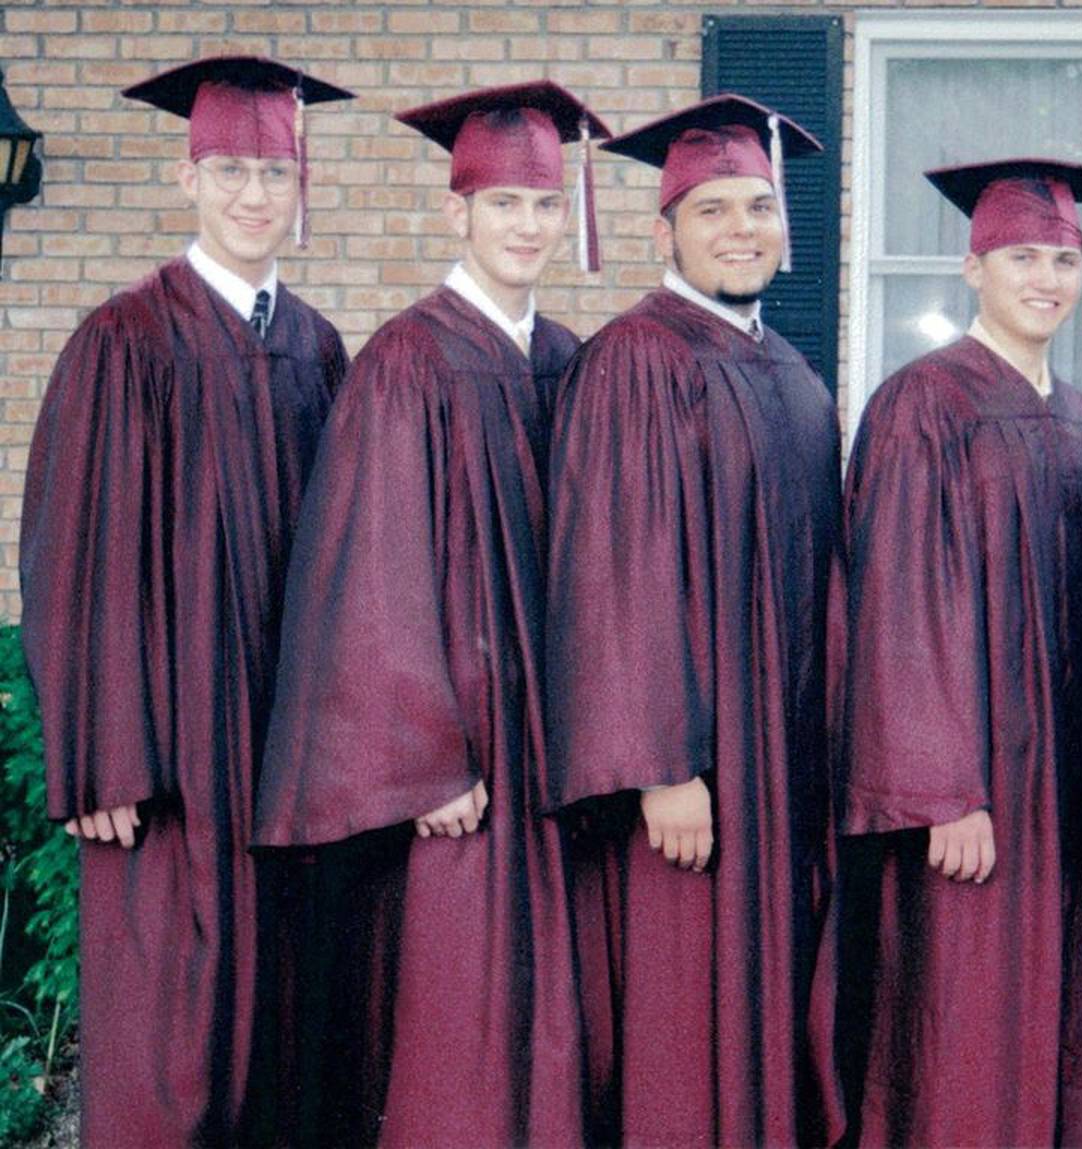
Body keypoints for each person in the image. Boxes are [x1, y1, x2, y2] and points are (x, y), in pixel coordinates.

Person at [254, 82, 607, 1147]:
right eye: (502, 204)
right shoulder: (408, 360)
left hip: (555, 761)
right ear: (456, 214)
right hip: (461, 774)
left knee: (555, 1015)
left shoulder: (568, 363)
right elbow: (369, 570)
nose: (527, 225)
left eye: (544, 204)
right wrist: (427, 758)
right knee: (455, 1015)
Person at [19, 55, 351, 1145]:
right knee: (171, 1028)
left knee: (291, 1025)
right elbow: (70, 560)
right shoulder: (125, 341)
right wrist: (98, 752)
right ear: (187, 176)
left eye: (274, 172)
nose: (256, 195)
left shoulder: (317, 347)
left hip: (288, 749)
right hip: (169, 752)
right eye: (232, 171)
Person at [544, 94, 844, 1147]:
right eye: (711, 208)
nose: (741, 229)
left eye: (757, 206)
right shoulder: (634, 362)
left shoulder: (795, 378)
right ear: (662, 227)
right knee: (680, 1027)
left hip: (786, 778)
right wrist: (663, 766)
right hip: (694, 786)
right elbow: (610, 574)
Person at [834, 158, 1082, 1147]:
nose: (1046, 278)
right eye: (1021, 256)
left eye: (1063, 259)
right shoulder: (924, 405)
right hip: (972, 799)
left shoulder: (1079, 419)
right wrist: (943, 790)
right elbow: (898, 606)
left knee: (1053, 1026)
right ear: (973, 267)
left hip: (1061, 800)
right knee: (956, 1025)